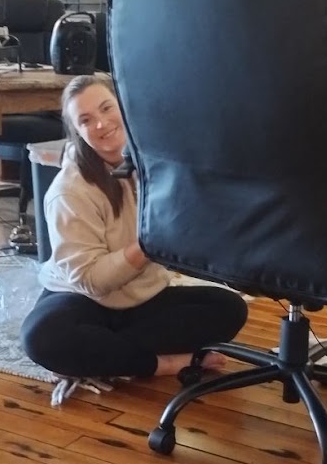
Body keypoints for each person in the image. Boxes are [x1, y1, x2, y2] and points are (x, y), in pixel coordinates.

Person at [21, 72, 248, 380]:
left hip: (143, 297)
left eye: (106, 108)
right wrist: (147, 245)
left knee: (230, 308)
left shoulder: (155, 159)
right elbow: (92, 281)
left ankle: (103, 357)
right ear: (77, 132)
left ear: (125, 105)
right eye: (86, 120)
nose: (101, 124)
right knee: (43, 337)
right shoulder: (69, 191)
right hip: (83, 298)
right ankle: (165, 364)